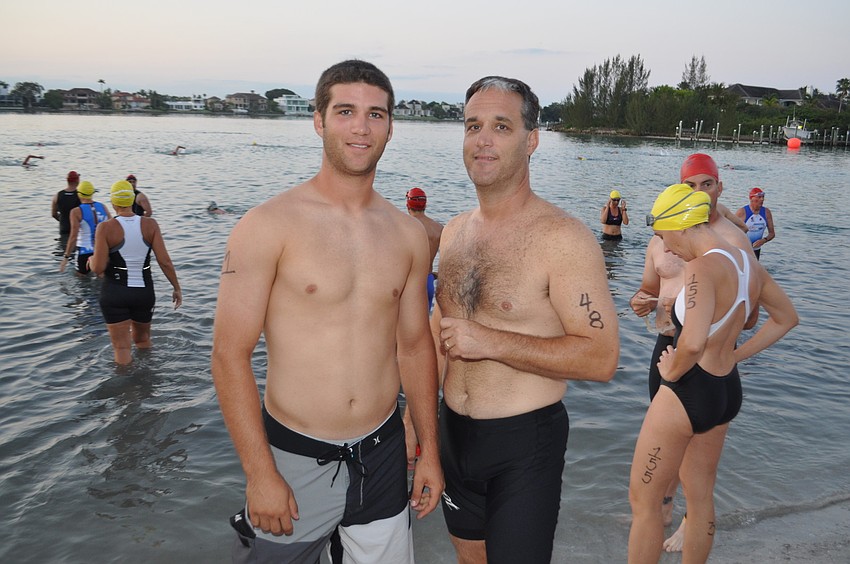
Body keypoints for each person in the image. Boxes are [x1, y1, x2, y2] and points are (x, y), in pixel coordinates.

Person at [210, 59, 442, 564]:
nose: (361, 127)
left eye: (375, 114)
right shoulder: (268, 226)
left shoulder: (408, 235)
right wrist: (260, 473)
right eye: (345, 112)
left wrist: (428, 451)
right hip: (293, 460)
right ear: (318, 120)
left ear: (390, 127)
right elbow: (230, 355)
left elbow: (415, 346)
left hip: (382, 456)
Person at [431, 76, 619, 564]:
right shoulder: (452, 233)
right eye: (473, 126)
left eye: (501, 126)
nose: (483, 140)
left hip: (523, 444)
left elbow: (600, 358)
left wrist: (491, 341)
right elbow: (438, 335)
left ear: (531, 140)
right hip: (452, 434)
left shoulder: (563, 239)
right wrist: (420, 431)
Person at [628, 183, 797, 564]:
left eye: (666, 237)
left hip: (688, 390)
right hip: (725, 389)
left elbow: (691, 341)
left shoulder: (702, 268)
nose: (667, 248)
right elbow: (786, 318)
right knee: (700, 498)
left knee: (644, 501)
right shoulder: (746, 262)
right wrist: (736, 356)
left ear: (684, 226)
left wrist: (673, 371)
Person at [629, 152, 758, 551]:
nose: (700, 192)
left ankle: (671, 516)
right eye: (691, 186)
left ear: (720, 187)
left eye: (708, 184)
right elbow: (649, 289)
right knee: (691, 486)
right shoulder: (668, 240)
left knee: (643, 502)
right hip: (695, 363)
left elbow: (743, 320)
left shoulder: (733, 243)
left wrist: (684, 363)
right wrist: (646, 301)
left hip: (691, 365)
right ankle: (670, 509)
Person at [89, 180, 182, 365]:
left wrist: (91, 261)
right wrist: (176, 287)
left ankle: (127, 391)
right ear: (132, 200)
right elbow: (165, 261)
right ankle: (149, 382)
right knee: (143, 341)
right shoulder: (151, 224)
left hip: (115, 292)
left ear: (113, 202)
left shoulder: (105, 228)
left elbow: (98, 268)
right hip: (144, 292)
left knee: (122, 348)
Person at [59, 180, 111, 275]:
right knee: (102, 278)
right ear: (92, 193)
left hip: (84, 251)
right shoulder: (103, 207)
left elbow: (73, 236)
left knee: (81, 280)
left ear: (79, 194)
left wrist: (66, 257)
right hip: (101, 250)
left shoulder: (76, 212)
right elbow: (112, 227)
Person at [405, 187, 443, 311]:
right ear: (425, 204)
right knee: (424, 325)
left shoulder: (404, 226)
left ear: (407, 204)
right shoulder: (438, 228)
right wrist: (435, 275)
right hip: (428, 282)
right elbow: (449, 261)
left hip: (410, 284)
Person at [736, 187, 775, 260]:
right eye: (759, 197)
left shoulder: (766, 212)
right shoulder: (742, 212)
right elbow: (730, 231)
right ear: (751, 198)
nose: (762, 199)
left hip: (756, 250)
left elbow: (772, 234)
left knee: (754, 270)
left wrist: (763, 240)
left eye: (763, 197)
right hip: (742, 250)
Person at [51, 170, 81, 235]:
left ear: (67, 181)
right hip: (77, 230)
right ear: (77, 180)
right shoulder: (80, 196)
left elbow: (53, 214)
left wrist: (62, 220)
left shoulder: (58, 195)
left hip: (63, 228)